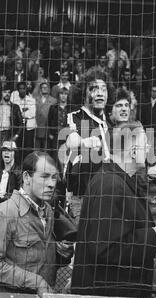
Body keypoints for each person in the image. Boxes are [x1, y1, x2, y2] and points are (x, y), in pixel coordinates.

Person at [71, 121, 156, 297]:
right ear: (132, 152)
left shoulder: (118, 181)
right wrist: (155, 235)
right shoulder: (110, 185)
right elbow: (105, 249)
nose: (149, 148)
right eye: (145, 143)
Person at [0, 151, 73, 295]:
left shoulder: (48, 211)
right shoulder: (4, 213)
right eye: (44, 177)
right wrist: (35, 282)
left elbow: (39, 259)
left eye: (54, 177)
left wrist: (61, 254)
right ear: (26, 177)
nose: (51, 184)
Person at [65, 67, 112, 222]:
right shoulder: (75, 117)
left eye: (104, 89)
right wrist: (85, 141)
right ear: (83, 93)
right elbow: (70, 140)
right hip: (82, 197)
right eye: (94, 89)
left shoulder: (110, 123)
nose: (99, 93)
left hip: (109, 197)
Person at [0, 84, 23, 169]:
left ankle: (8, 181)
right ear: (1, 93)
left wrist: (16, 136)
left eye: (8, 92)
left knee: (9, 161)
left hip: (9, 135)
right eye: (5, 92)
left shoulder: (15, 107)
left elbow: (21, 124)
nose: (7, 94)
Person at [11, 81, 37, 160]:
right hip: (18, 127)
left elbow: (32, 113)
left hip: (29, 127)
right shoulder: (14, 100)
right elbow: (13, 112)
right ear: (18, 90)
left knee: (28, 148)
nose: (22, 90)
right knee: (18, 147)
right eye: (20, 89)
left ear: (26, 89)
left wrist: (20, 113)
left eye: (24, 88)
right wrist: (24, 111)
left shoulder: (31, 100)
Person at [35, 81, 57, 152]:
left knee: (46, 150)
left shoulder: (54, 101)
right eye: (42, 87)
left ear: (49, 89)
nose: (44, 89)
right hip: (37, 127)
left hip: (47, 128)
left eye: (46, 87)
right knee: (36, 149)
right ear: (40, 89)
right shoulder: (35, 99)